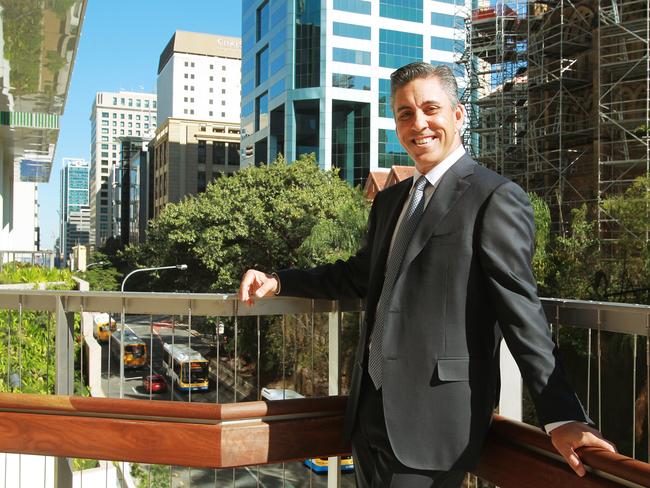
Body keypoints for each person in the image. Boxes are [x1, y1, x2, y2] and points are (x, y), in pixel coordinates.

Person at [239, 62, 615, 487]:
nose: (418, 123)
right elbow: (360, 276)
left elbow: (522, 314)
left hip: (433, 425)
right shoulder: (392, 199)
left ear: (457, 115)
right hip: (368, 414)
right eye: (404, 114)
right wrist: (280, 282)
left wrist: (562, 416)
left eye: (430, 109)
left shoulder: (494, 197)